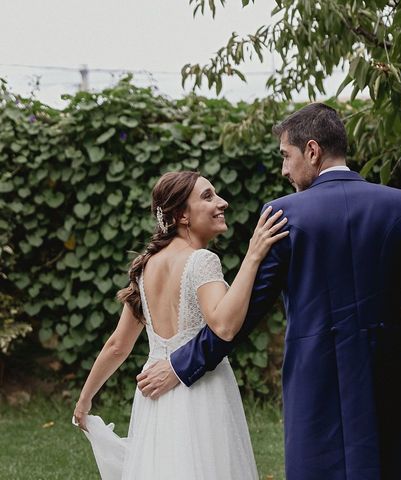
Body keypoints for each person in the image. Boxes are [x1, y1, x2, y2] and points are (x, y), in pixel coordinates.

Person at [138, 103, 401, 479]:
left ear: (312, 151)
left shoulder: (283, 215)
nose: (284, 170)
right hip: (388, 381)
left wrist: (181, 364)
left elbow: (245, 314)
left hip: (315, 385)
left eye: (286, 157)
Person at [72, 170, 288, 479]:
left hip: (153, 397)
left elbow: (118, 345)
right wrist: (253, 257)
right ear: (182, 215)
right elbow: (224, 326)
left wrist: (84, 400)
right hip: (199, 390)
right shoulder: (201, 261)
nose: (222, 202)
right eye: (208, 196)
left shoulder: (145, 267)